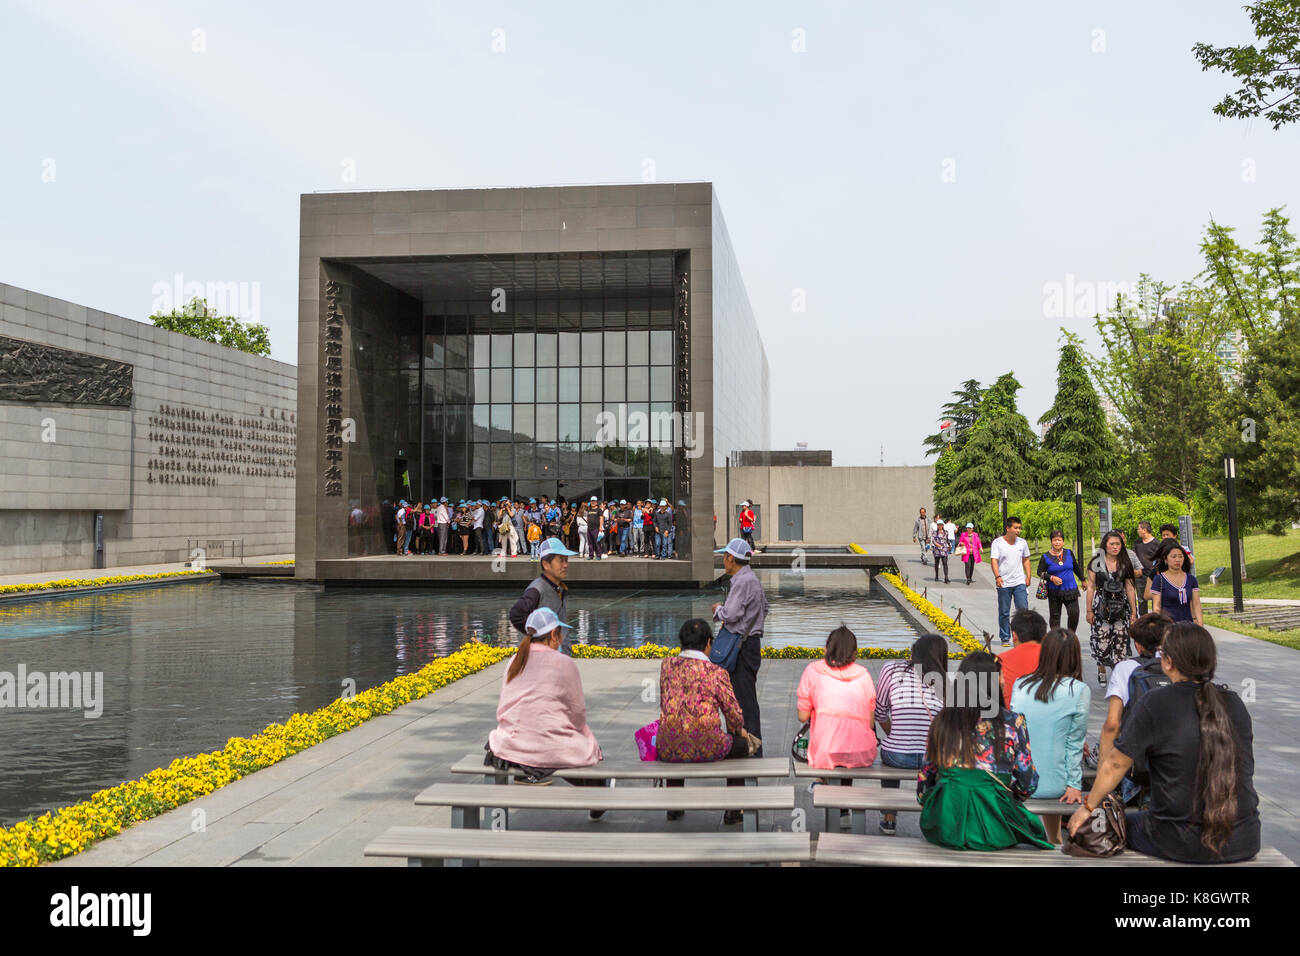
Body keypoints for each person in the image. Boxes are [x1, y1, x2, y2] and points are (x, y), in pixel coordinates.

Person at [1067, 623, 1259, 863]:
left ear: (1167, 662)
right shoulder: (1234, 704)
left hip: (1178, 841)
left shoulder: (1155, 702)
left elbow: (1116, 764)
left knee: (1105, 825)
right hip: (1244, 838)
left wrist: (1088, 807)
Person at [917, 652, 1051, 851]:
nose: (1004, 681)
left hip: (947, 823)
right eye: (1001, 676)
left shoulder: (943, 721)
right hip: (995, 825)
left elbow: (924, 781)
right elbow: (1027, 783)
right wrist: (1005, 795)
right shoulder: (1013, 722)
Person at [657, 618, 761, 821]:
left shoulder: (667, 666)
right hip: (707, 745)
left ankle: (674, 806)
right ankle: (734, 809)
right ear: (708, 643)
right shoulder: (715, 672)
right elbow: (733, 713)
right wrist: (738, 730)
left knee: (677, 729)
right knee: (739, 745)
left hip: (667, 745)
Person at [1010, 627, 1090, 843]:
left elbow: (1015, 733)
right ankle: (1054, 839)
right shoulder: (1078, 689)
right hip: (1056, 785)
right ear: (1074, 656)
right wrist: (1074, 785)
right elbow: (1074, 745)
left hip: (1019, 780)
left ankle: (1052, 838)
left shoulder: (1021, 684)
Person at [712, 537, 768, 824]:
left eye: (725, 557)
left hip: (742, 646)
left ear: (732, 560)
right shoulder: (751, 579)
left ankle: (750, 745)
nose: (723, 560)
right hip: (751, 643)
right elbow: (765, 609)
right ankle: (750, 742)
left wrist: (718, 611)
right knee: (746, 696)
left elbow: (732, 614)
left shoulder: (741, 581)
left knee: (743, 698)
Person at [873, 634, 947, 835]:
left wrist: (895, 733)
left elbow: (879, 712)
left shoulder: (891, 669)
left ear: (913, 653)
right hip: (931, 758)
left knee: (892, 748)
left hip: (896, 756)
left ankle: (889, 819)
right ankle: (936, 819)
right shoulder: (946, 683)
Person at [1098, 612, 1171, 805]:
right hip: (1174, 764)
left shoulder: (1125, 668)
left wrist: (1103, 772)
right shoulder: (1177, 667)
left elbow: (1112, 724)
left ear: (1137, 644)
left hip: (1136, 766)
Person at [1085, 530, 1138, 688]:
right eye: (1112, 544)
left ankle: (1118, 677)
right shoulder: (1097, 563)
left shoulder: (1125, 563)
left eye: (1118, 544)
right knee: (1102, 642)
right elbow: (1091, 587)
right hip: (1101, 607)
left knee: (1120, 642)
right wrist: (1089, 611)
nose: (1115, 547)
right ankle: (1101, 668)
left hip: (1121, 608)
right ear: (1105, 545)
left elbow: (1130, 588)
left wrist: (1134, 613)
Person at [508, 537, 577, 634]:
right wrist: (538, 635)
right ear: (546, 565)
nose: (565, 565)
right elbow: (516, 615)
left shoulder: (559, 588)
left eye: (566, 560)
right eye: (561, 560)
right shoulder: (537, 589)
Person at [990, 516, 1032, 647]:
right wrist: (997, 576)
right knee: (1004, 611)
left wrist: (1028, 575)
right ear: (1008, 528)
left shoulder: (1022, 543)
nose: (1018, 530)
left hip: (1019, 582)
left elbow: (1026, 559)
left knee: (1023, 611)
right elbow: (994, 561)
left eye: (1019, 528)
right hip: (1004, 583)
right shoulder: (997, 543)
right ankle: (1005, 637)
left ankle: (1022, 637)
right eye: (1015, 528)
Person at [1036, 529, 1085, 631]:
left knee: (1074, 614)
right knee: (1055, 616)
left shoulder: (1069, 553)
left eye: (1059, 540)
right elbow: (1039, 572)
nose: (1057, 542)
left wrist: (1083, 580)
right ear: (1051, 542)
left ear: (1063, 542)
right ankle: (1056, 640)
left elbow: (1075, 567)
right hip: (1054, 591)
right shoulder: (1045, 557)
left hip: (1070, 590)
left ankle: (1070, 636)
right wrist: (1051, 578)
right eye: (1054, 540)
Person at [998, 607, 1047, 702]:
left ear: (1014, 635)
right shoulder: (1057, 659)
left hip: (1008, 715)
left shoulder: (999, 661)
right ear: (1044, 635)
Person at [1148, 544, 1202, 625]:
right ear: (1165, 559)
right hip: (1168, 628)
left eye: (1180, 556)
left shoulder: (1191, 579)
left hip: (1188, 627)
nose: (1177, 559)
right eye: (1173, 556)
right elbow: (1156, 607)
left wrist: (1200, 624)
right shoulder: (1159, 579)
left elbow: (1197, 605)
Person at [1133, 521, 1161, 615]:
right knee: (1141, 600)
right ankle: (1143, 621)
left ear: (1144, 530)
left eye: (1138, 529)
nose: (1137, 531)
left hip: (1153, 577)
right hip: (1140, 577)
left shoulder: (1156, 543)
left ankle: (1155, 621)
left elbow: (1159, 560)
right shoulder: (1137, 543)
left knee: (1155, 599)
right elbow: (1134, 557)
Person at [930, 514, 951, 583]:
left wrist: (949, 546)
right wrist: (938, 545)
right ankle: (936, 576)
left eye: (941, 524)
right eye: (938, 525)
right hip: (937, 550)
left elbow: (947, 540)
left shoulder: (946, 532)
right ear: (937, 525)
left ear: (943, 525)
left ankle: (946, 577)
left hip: (944, 550)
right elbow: (933, 540)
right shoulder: (935, 532)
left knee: (945, 563)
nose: (940, 526)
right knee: (937, 563)